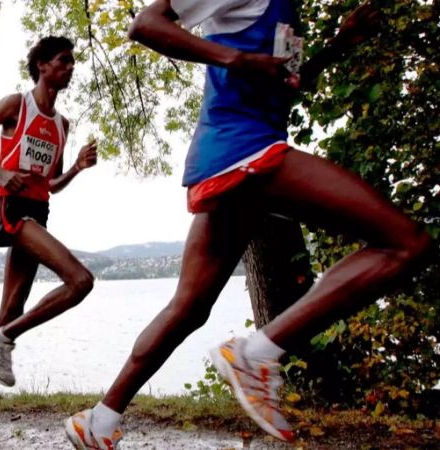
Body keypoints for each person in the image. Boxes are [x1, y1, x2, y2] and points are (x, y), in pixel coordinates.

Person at [63, 1, 430, 447]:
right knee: (405, 243)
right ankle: (256, 353)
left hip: (234, 157)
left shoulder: (288, 13)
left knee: (189, 307)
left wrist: (339, 46)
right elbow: (146, 24)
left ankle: (98, 421)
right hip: (244, 151)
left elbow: (285, 86)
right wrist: (234, 58)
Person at [0, 36, 98, 431]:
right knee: (81, 280)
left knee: (11, 309)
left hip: (39, 212)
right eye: (64, 61)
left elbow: (51, 184)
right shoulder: (17, 104)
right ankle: (6, 337)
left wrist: (78, 168)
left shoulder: (63, 125)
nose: (70, 68)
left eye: (72, 62)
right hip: (13, 212)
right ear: (42, 65)